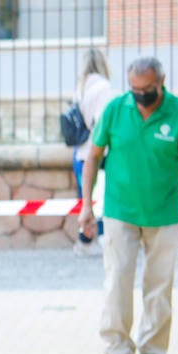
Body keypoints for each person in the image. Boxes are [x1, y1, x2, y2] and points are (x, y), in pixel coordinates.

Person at [79, 58, 178, 354]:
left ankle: (153, 351)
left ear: (161, 81)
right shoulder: (115, 110)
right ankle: (117, 352)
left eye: (147, 90)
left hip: (165, 213)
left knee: (159, 284)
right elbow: (92, 158)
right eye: (135, 89)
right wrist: (86, 205)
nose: (140, 96)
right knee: (118, 280)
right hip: (120, 210)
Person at [73, 48, 115, 255]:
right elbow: (103, 121)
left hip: (80, 150)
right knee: (101, 197)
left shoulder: (81, 87)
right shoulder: (104, 87)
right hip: (99, 151)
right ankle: (94, 239)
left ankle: (84, 239)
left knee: (87, 196)